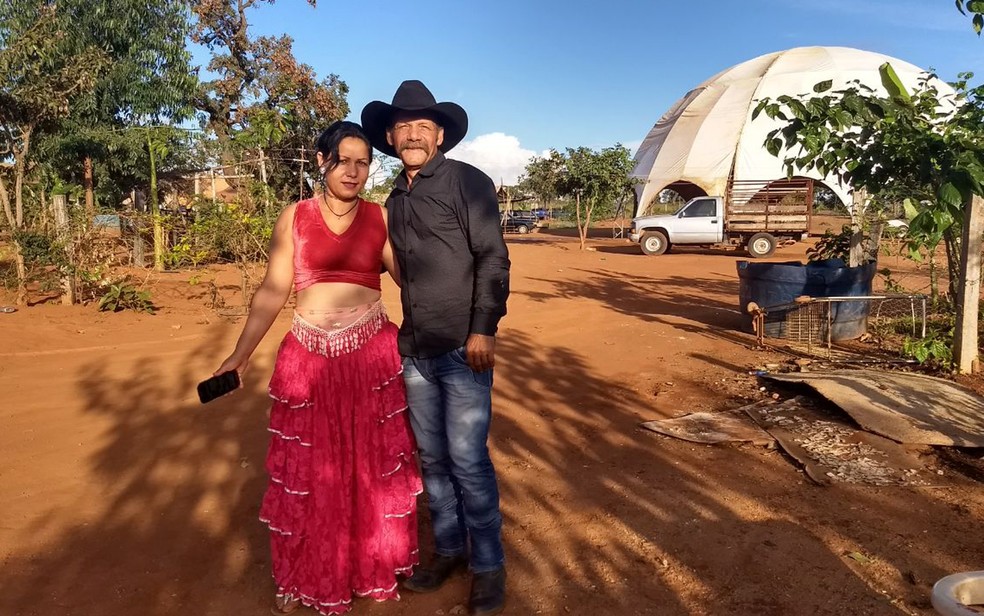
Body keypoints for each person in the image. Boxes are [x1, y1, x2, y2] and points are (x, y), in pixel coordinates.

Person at [212, 121, 422, 616]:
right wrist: (240, 354)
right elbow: (272, 290)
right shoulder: (295, 217)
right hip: (307, 359)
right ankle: (301, 574)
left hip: (371, 357)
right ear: (322, 161)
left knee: (369, 465)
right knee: (310, 471)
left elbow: (412, 280)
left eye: (363, 162)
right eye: (343, 160)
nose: (353, 171)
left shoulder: (380, 217)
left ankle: (373, 563)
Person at [361, 80, 510, 616]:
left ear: (440, 134)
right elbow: (397, 269)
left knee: (468, 459)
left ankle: (489, 565)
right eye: (403, 126)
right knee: (433, 459)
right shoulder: (394, 199)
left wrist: (483, 328)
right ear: (389, 137)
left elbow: (492, 257)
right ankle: (449, 550)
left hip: (463, 350)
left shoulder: (467, 182)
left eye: (423, 125)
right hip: (416, 351)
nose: (413, 135)